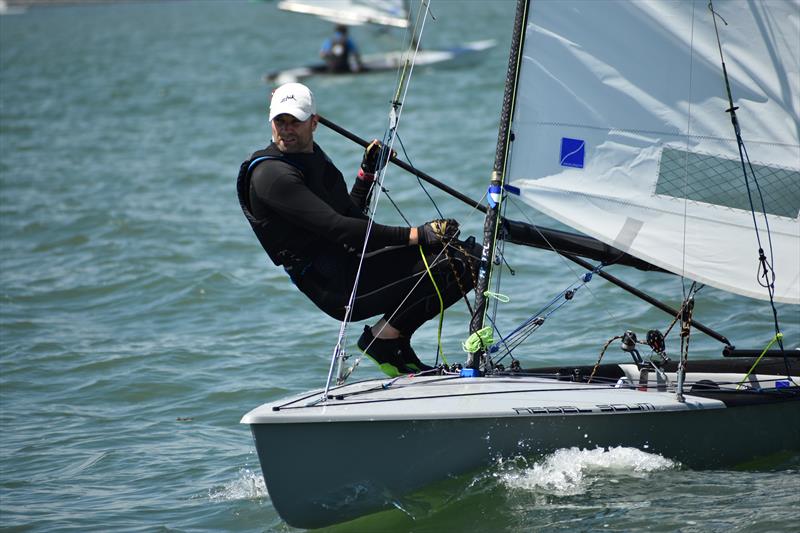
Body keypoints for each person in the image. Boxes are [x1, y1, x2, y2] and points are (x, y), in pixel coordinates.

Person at [237, 82, 480, 377]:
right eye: (280, 121)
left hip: (351, 262)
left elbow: (348, 214)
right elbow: (337, 228)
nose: (286, 130)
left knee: (468, 254)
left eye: (295, 122)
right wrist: (417, 234)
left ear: (314, 122)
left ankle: (391, 341)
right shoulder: (271, 176)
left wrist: (367, 174)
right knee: (457, 263)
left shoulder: (308, 158)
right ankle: (383, 342)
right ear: (271, 121)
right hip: (335, 285)